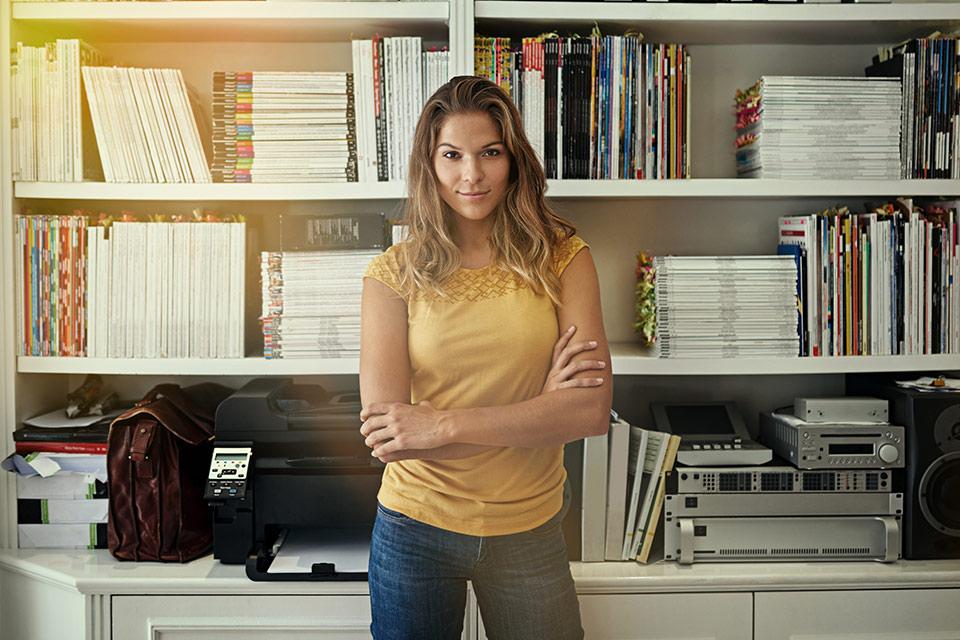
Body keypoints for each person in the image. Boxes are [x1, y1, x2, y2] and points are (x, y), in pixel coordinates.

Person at [359, 75, 612, 640]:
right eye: (452, 155)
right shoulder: (391, 275)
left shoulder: (565, 258)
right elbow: (389, 437)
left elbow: (588, 413)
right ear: (430, 164)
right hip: (414, 527)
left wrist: (440, 424)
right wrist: (542, 410)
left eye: (489, 153)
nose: (470, 175)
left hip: (530, 527)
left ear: (513, 159)